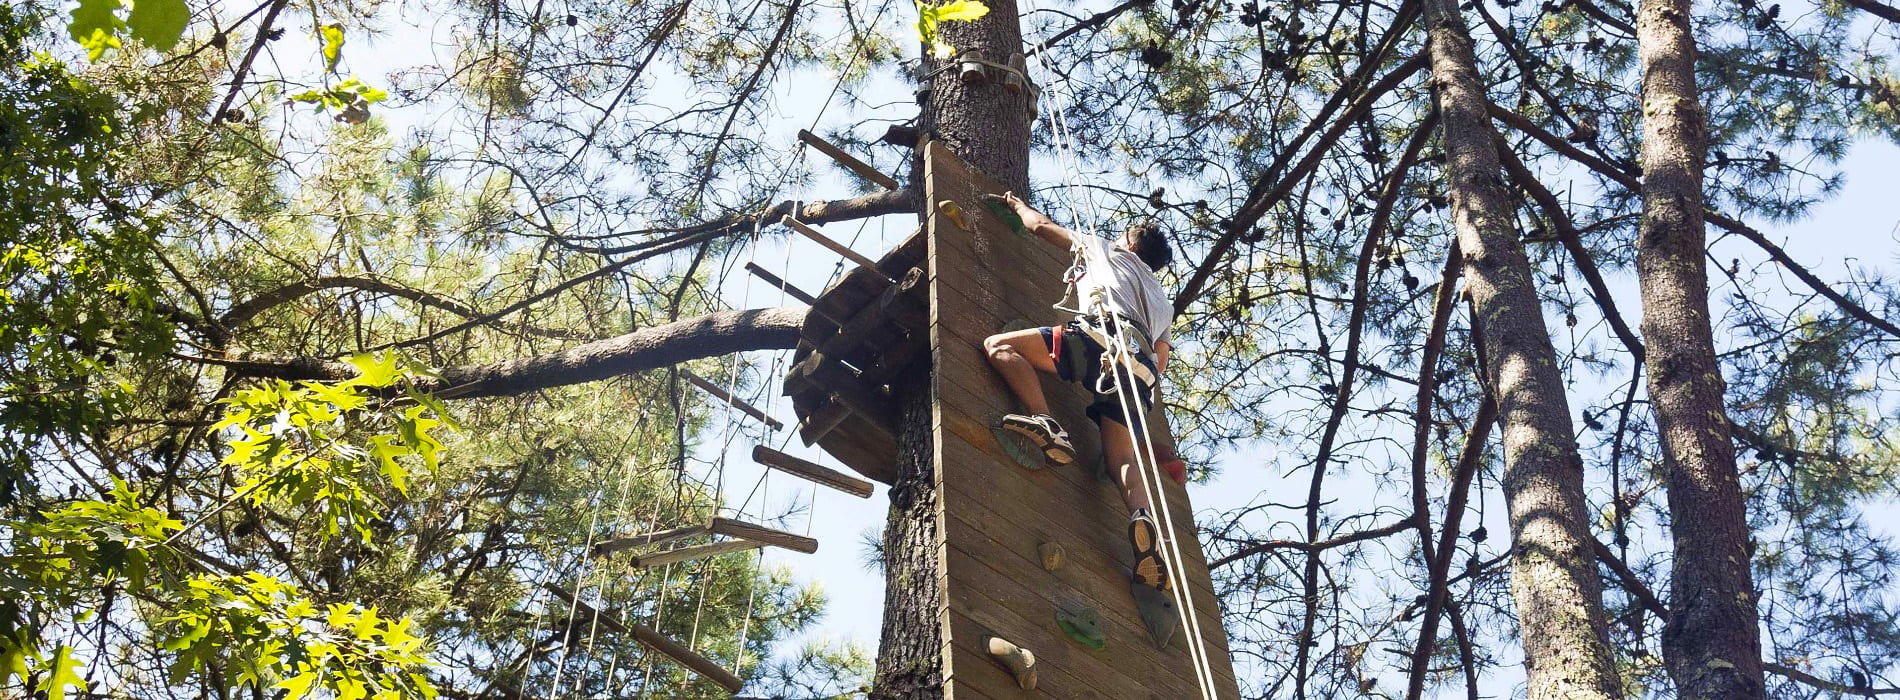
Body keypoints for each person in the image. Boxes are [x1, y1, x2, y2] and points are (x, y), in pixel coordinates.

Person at [979, 191, 1180, 593]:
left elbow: (1041, 227)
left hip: (1101, 338)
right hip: (1140, 371)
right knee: (1120, 457)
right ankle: (1142, 516)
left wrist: (1016, 205)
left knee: (998, 347)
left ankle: (1046, 420)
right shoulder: (1163, 303)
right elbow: (1162, 360)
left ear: (1131, 244)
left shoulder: (1105, 249)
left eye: (1124, 237)